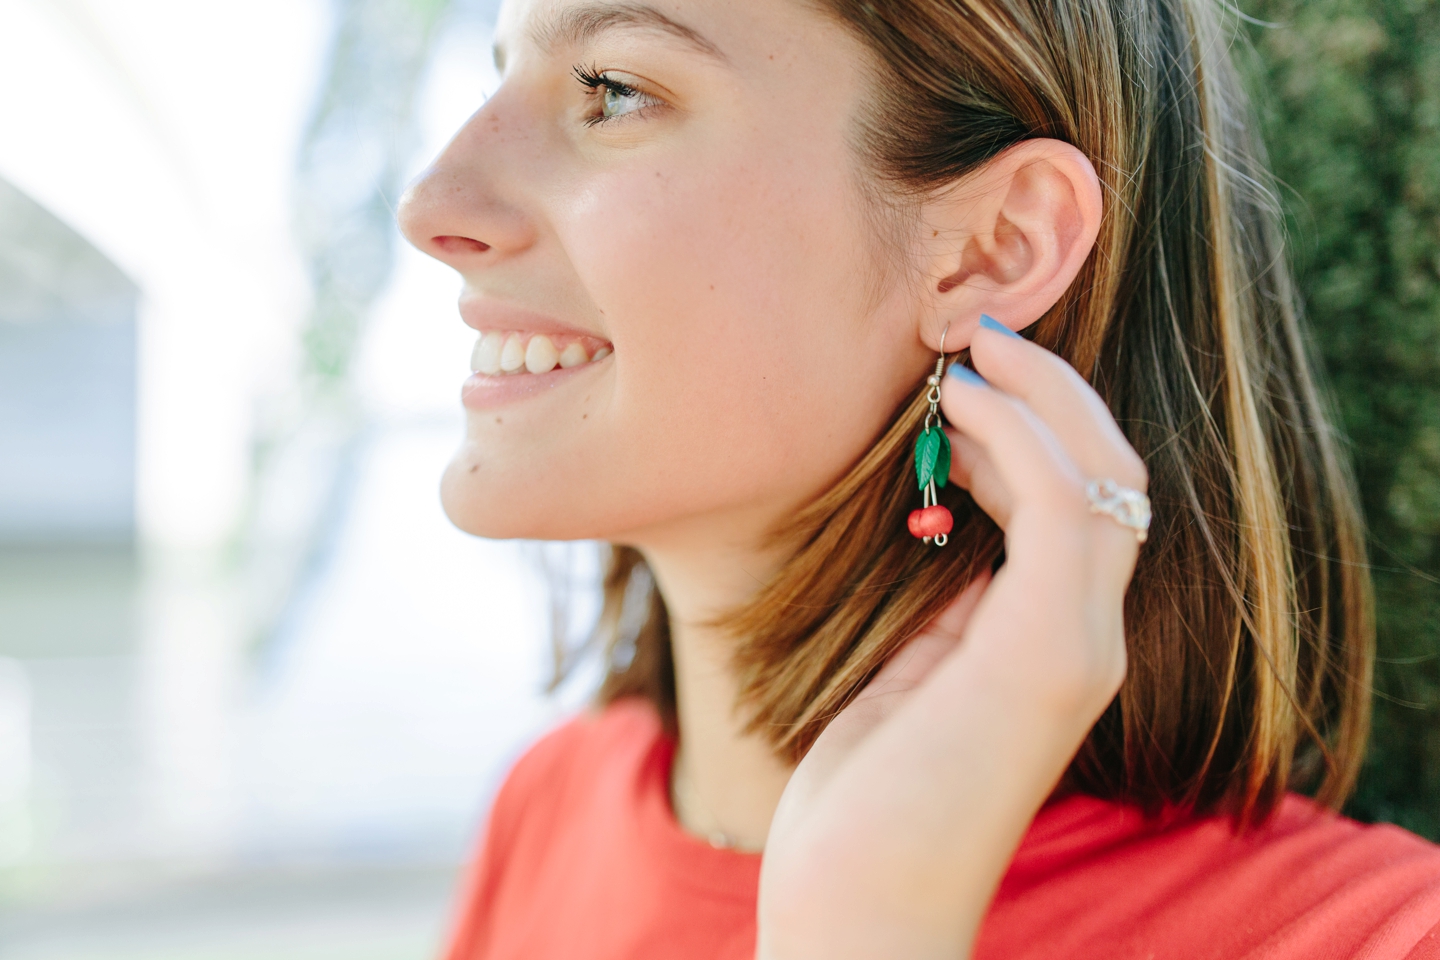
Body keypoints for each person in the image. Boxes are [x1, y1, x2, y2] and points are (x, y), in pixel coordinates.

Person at [395, 0, 1440, 956]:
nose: (432, 204)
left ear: (990, 251)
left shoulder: (1379, 938)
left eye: (615, 91)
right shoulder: (551, 812)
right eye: (500, 74)